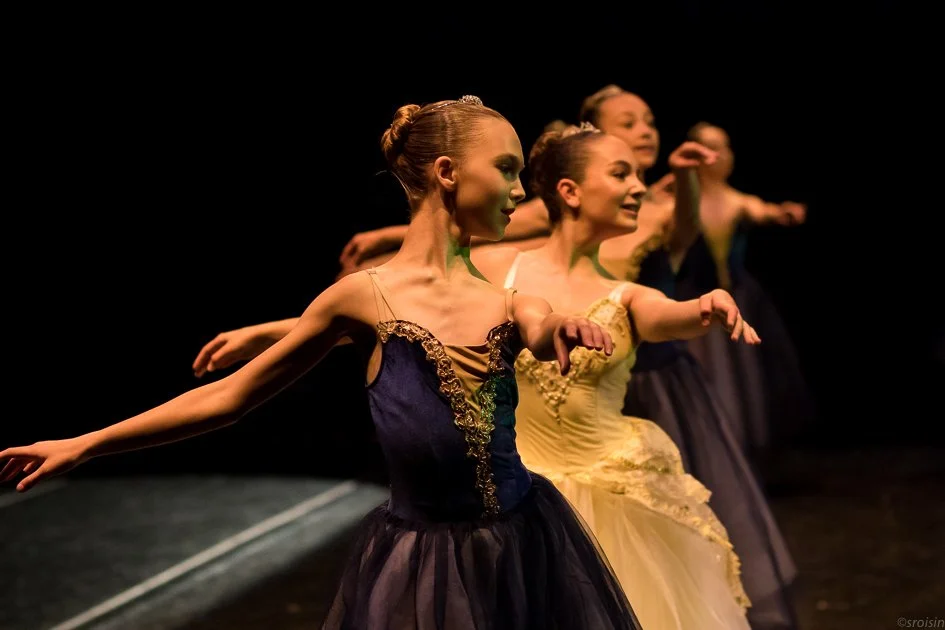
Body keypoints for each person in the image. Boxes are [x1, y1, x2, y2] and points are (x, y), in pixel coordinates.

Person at [0, 96, 643, 630]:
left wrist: (562, 325)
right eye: (505, 168)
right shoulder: (362, 297)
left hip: (523, 543)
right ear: (448, 172)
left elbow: (540, 325)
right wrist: (88, 443)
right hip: (422, 561)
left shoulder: (508, 298)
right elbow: (229, 396)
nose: (520, 190)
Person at [329, 85, 801, 629]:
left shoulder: (622, 290)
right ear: (570, 192)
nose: (637, 187)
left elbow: (667, 309)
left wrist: (704, 305)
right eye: (620, 174)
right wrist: (284, 329)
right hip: (524, 484)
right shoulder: (503, 267)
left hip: (607, 488)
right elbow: (405, 304)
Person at [676, 121, 814, 460]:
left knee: (741, 377)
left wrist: (782, 213)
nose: (722, 155)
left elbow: (762, 210)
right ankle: (709, 443)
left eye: (725, 147)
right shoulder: (680, 203)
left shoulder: (737, 201)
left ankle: (738, 447)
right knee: (706, 372)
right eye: (712, 147)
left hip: (737, 299)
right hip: (696, 300)